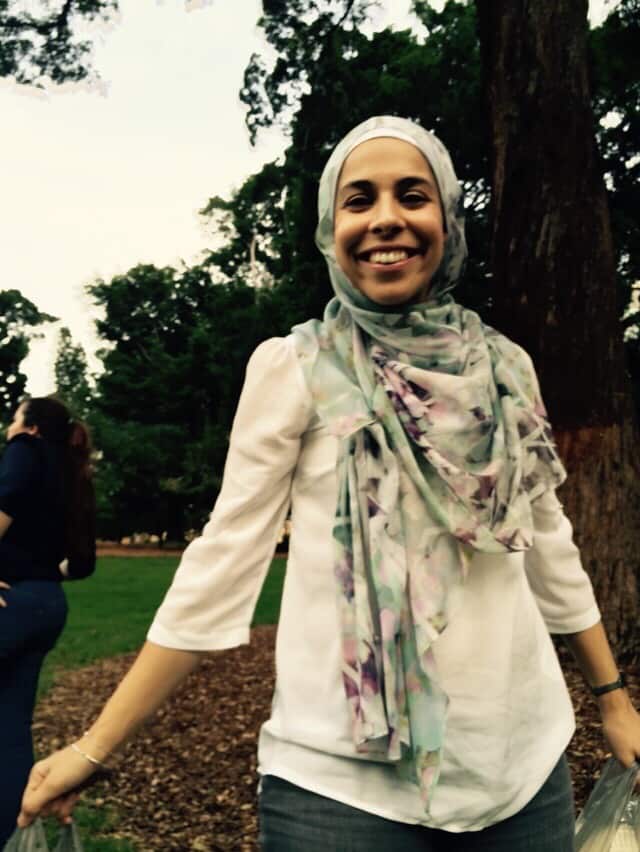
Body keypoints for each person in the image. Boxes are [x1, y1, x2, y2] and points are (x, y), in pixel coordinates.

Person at [17, 117, 640, 851]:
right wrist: (95, 746)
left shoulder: (505, 370)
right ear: (329, 226)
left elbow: (548, 546)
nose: (386, 219)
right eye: (358, 199)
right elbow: (221, 566)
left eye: (413, 196)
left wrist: (611, 699)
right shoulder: (295, 368)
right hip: (339, 794)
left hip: (521, 774)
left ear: (445, 217)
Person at [0, 396, 96, 846]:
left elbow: (8, 497)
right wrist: (37, 573)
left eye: (15, 417)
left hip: (12, 605)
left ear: (32, 427)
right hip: (45, 605)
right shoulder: (71, 469)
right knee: (10, 723)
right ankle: (10, 833)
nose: (10, 426)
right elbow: (82, 563)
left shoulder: (25, 449)